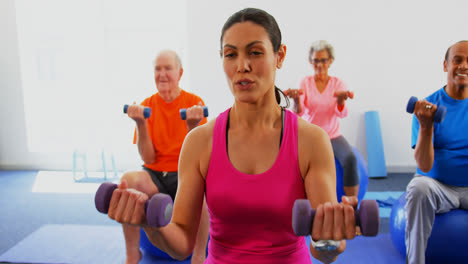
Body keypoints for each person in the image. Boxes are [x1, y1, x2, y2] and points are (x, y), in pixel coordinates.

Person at [108, 8, 358, 264]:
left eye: (255, 52)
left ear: (279, 55)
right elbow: (182, 243)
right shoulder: (199, 142)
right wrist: (151, 224)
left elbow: (323, 249)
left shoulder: (311, 140)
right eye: (231, 54)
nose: (242, 66)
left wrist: (331, 238)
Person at [122, 49, 209, 264]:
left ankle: (198, 256)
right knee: (127, 182)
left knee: (204, 189)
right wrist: (141, 123)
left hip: (185, 174)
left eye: (167, 68)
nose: (162, 74)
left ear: (179, 73)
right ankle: (133, 254)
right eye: (157, 69)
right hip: (155, 175)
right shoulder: (146, 106)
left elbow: (199, 156)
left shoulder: (194, 102)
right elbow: (148, 158)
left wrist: (192, 126)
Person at [406, 40, 468, 264]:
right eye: (457, 60)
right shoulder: (427, 106)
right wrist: (426, 126)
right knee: (418, 186)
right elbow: (424, 166)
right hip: (439, 186)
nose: (463, 66)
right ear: (446, 65)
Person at [286, 40, 359, 198]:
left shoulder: (338, 83)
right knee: (295, 164)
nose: (319, 64)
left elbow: (342, 114)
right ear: (311, 62)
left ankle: (352, 206)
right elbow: (299, 113)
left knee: (350, 159)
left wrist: (340, 101)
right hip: (310, 135)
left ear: (330, 61)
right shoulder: (304, 82)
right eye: (315, 60)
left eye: (323, 60)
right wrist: (297, 101)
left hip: (332, 135)